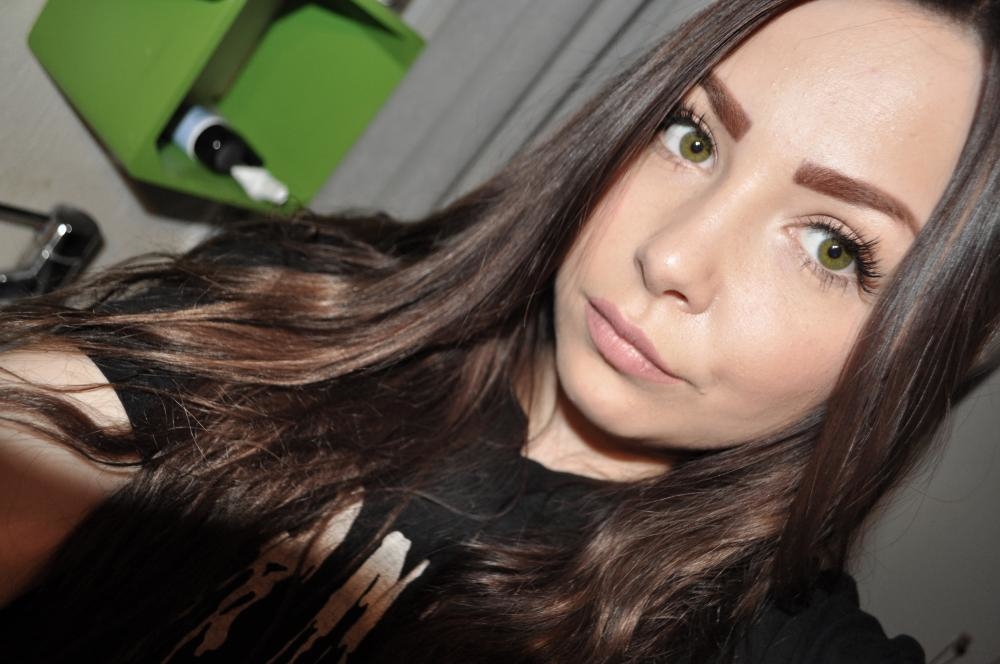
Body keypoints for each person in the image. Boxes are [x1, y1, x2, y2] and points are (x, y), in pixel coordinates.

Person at [1, 0, 997, 661]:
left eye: (832, 247)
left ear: (916, 351)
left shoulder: (756, 633)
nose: (673, 256)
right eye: (692, 136)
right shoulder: (319, 303)